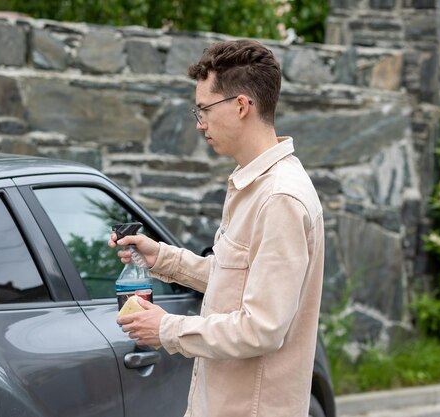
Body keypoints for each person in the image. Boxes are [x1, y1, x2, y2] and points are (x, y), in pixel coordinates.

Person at [109, 39, 325, 417]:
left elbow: (262, 327)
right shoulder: (252, 182)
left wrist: (167, 329)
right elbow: (237, 282)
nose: (199, 124)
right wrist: (160, 256)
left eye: (205, 109)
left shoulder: (280, 198)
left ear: (241, 105)